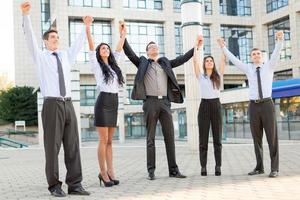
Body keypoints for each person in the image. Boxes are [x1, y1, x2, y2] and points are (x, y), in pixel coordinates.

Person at [21, 1, 90, 197]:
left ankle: (75, 184)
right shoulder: (40, 56)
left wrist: (85, 27)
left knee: (73, 146)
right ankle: (54, 186)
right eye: (52, 37)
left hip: (68, 104)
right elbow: (29, 40)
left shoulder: (65, 56)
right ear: (45, 41)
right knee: (52, 148)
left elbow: (78, 45)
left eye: (57, 37)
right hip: (52, 104)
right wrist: (26, 17)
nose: (56, 40)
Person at [119, 21, 201, 180]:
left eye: (155, 46)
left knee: (169, 137)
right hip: (149, 103)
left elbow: (183, 58)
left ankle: (173, 170)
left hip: (165, 103)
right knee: (150, 138)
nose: (154, 47)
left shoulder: (165, 63)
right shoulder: (142, 62)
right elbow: (129, 52)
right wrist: (124, 35)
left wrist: (196, 47)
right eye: (150, 47)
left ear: (158, 49)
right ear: (147, 51)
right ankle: (151, 170)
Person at [217, 31, 284, 178]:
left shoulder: (269, 66)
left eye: (258, 54)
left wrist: (279, 40)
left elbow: (276, 53)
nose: (256, 56)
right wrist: (223, 48)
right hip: (253, 106)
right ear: (251, 57)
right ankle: (259, 167)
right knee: (256, 138)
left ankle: (274, 168)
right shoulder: (248, 68)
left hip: (267, 104)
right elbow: (234, 60)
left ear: (262, 56)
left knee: (272, 137)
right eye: (254, 54)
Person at [86, 17, 125, 187]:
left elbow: (119, 47)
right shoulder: (96, 65)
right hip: (103, 103)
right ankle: (102, 173)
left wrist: (123, 33)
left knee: (110, 141)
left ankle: (111, 171)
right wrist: (88, 27)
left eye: (107, 48)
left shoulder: (114, 66)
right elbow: (90, 44)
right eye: (102, 48)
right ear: (98, 52)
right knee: (103, 140)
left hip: (114, 102)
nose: (106, 49)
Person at [193, 35, 225, 176]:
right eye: (207, 61)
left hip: (216, 105)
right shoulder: (201, 76)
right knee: (203, 139)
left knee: (217, 139)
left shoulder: (218, 76)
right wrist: (197, 45)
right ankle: (203, 167)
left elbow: (223, 59)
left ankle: (218, 166)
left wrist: (221, 45)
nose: (209, 62)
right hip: (204, 106)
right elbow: (194, 60)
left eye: (211, 60)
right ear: (204, 64)